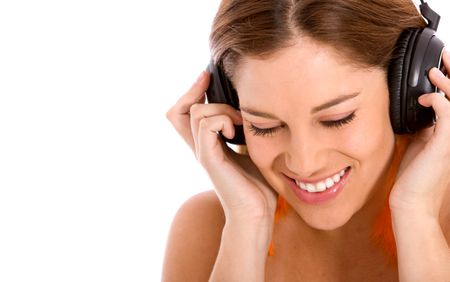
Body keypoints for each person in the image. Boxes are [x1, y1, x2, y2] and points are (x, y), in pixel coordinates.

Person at [163, 0, 450, 280]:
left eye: (337, 119)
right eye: (265, 126)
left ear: (411, 95)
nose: (304, 163)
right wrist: (246, 225)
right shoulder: (204, 230)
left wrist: (416, 214)